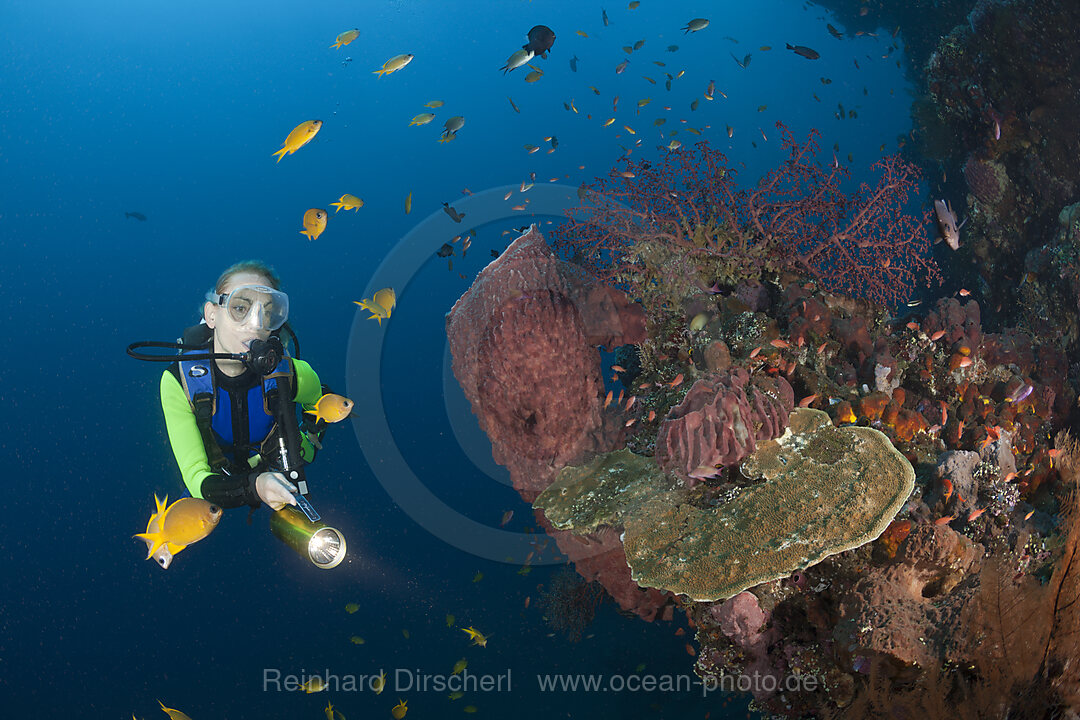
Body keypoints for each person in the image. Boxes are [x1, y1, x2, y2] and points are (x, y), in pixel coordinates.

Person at [160, 260, 324, 511]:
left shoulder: (289, 374)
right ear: (211, 315)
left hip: (269, 462)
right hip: (219, 478)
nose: (256, 324)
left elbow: (323, 400)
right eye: (240, 307)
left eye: (267, 312)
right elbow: (196, 478)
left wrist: (310, 437)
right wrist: (254, 487)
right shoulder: (180, 382)